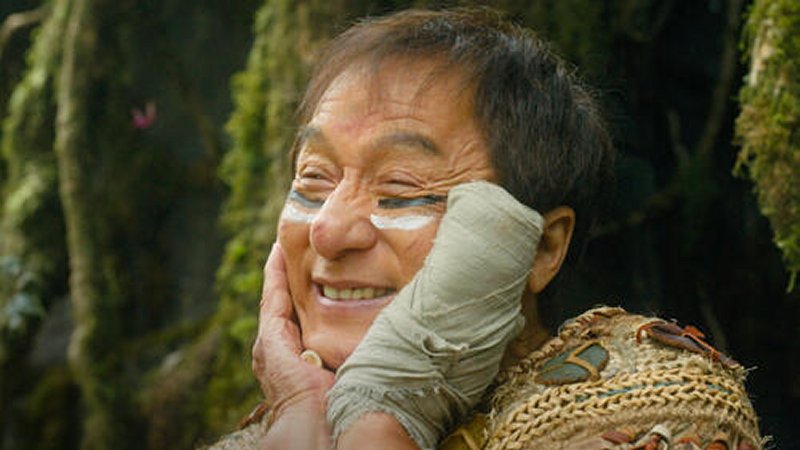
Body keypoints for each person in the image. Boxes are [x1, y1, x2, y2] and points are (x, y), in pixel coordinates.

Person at [208, 8, 763, 450]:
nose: (327, 231)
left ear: (542, 247)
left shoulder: (657, 401)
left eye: (400, 189)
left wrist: (385, 406)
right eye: (313, 181)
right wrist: (301, 413)